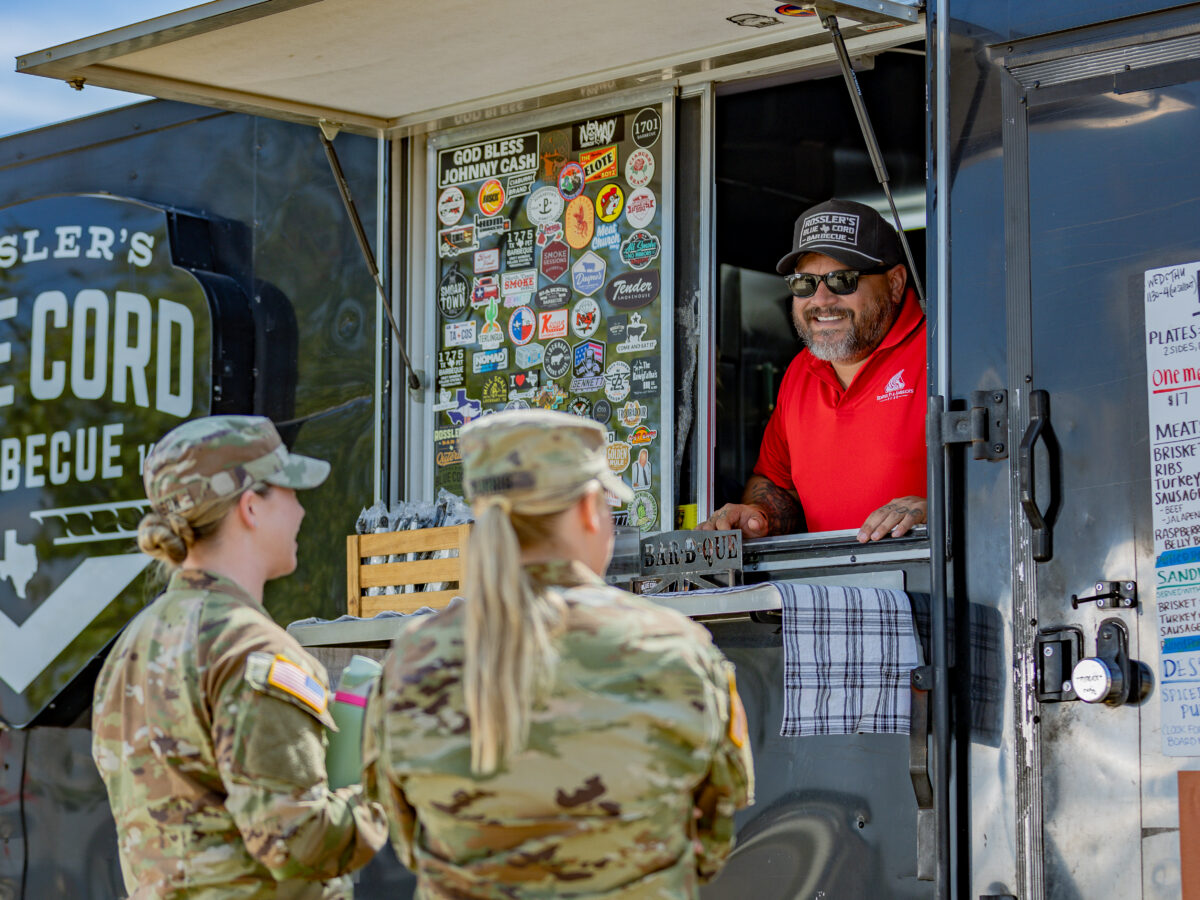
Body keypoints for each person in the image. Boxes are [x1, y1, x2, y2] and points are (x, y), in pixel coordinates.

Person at [363, 409, 754, 899]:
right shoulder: (678, 651)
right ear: (590, 509)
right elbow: (712, 840)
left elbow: (405, 839)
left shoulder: (411, 661)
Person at [91, 415, 388, 899]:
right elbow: (298, 842)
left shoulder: (132, 645)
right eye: (290, 491)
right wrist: (387, 786)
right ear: (250, 507)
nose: (301, 511)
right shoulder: (252, 648)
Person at [700, 198, 926, 543]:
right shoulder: (800, 372)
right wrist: (759, 516)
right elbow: (778, 484)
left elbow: (1007, 474)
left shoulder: (944, 352)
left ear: (894, 284)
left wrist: (936, 508)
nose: (821, 300)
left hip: (934, 574)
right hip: (827, 577)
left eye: (842, 280)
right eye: (804, 283)